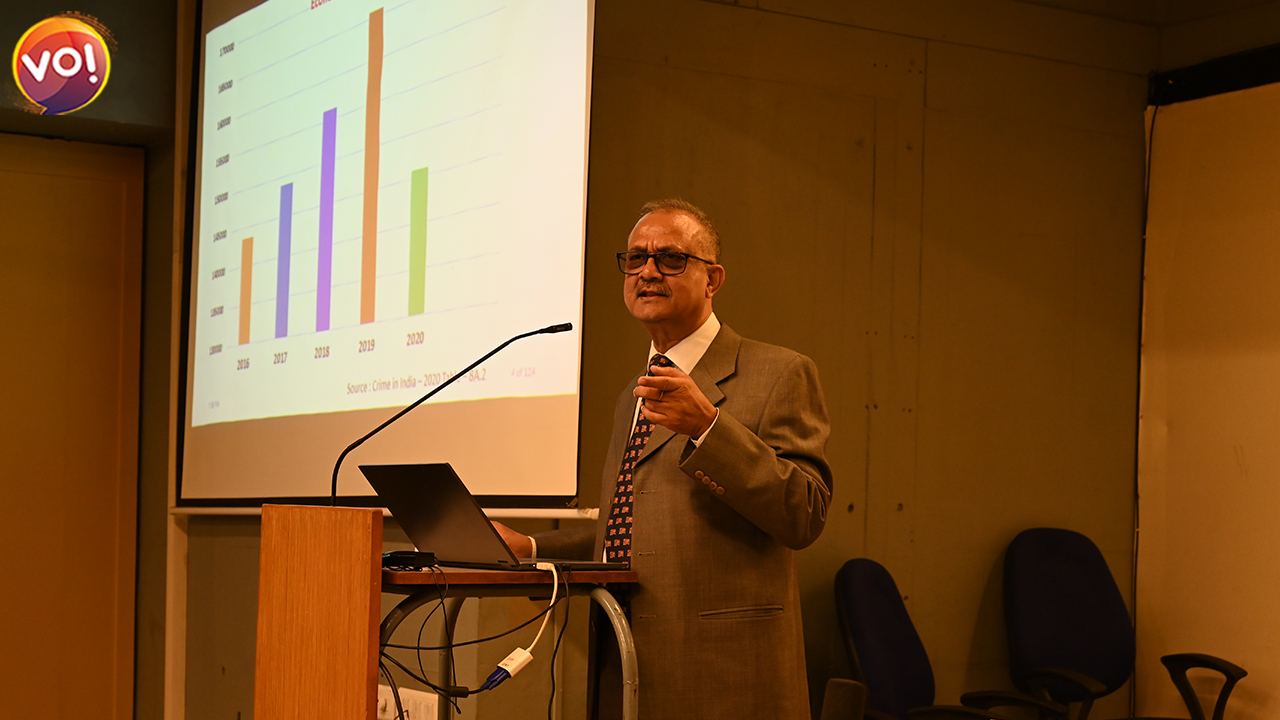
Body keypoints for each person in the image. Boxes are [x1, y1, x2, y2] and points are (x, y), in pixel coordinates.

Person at [496, 199, 833, 719]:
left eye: (671, 258)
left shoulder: (779, 372)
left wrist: (709, 428)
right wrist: (534, 546)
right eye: (636, 258)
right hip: (624, 664)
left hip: (725, 675)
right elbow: (630, 527)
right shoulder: (631, 395)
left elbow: (804, 512)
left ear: (712, 279)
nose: (648, 271)